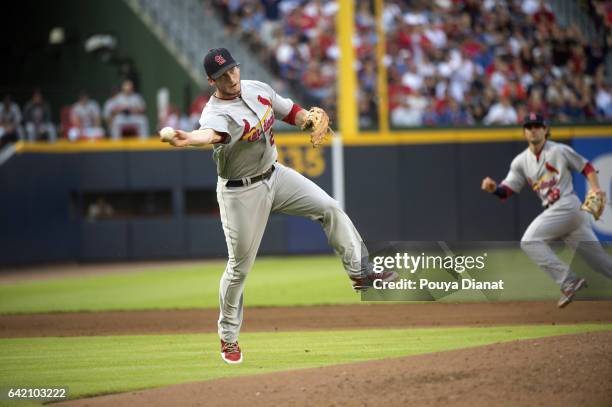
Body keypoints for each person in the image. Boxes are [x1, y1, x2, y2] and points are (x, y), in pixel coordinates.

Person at [161, 48, 395, 364]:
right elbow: (209, 134)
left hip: (276, 175)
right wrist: (187, 138)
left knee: (330, 207)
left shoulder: (257, 88)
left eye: (232, 70)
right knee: (239, 268)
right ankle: (228, 338)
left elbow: (291, 112)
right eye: (222, 75)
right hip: (240, 193)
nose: (230, 78)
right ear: (211, 80)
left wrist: (307, 120)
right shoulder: (215, 112)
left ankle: (361, 273)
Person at [481, 112, 612, 308]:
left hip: (567, 205)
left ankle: (569, 281)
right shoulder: (520, 161)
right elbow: (507, 191)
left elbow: (586, 166)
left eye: (537, 126)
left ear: (545, 130)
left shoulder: (558, 151)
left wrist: (595, 187)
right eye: (529, 127)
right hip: (564, 215)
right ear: (525, 133)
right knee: (599, 262)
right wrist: (493, 189)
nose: (533, 130)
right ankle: (570, 280)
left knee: (530, 241)